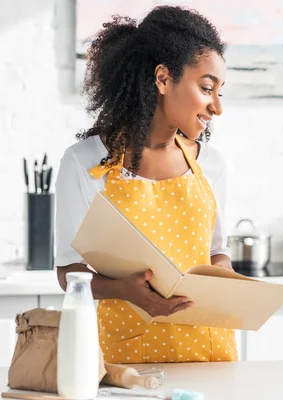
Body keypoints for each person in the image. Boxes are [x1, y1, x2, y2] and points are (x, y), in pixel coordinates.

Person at [55, 6, 236, 363]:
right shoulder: (84, 162)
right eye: (205, 88)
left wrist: (229, 284)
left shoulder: (210, 164)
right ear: (163, 79)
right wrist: (123, 289)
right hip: (124, 360)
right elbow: (68, 272)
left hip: (212, 354)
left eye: (220, 92)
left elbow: (217, 251)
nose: (216, 107)